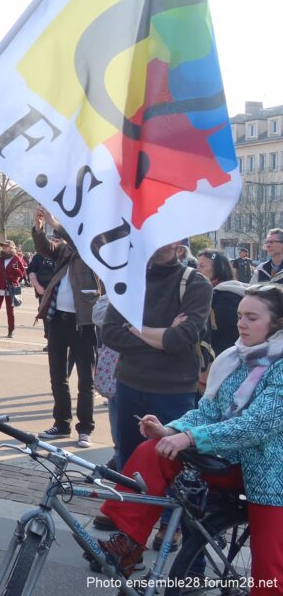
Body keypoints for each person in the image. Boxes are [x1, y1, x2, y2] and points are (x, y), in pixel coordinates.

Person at [95, 285, 283, 594]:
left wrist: (190, 438)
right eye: (239, 316)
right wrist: (170, 431)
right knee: (153, 449)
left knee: (270, 575)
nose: (241, 324)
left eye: (252, 317)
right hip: (228, 460)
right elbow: (207, 411)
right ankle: (127, 544)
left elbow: (255, 426)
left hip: (272, 475)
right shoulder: (235, 358)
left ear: (277, 323)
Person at [101, 239, 212, 470]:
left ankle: (167, 508)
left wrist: (132, 327)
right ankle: (129, 507)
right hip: (128, 385)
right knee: (127, 462)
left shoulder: (195, 282)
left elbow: (180, 340)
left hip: (172, 391)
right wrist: (162, 336)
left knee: (172, 466)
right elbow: (110, 333)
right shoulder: (129, 280)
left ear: (178, 243)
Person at [32, 207, 102, 447]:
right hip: (57, 320)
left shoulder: (95, 248)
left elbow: (82, 244)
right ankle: (61, 423)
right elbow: (44, 249)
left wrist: (55, 223)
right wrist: (40, 228)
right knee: (58, 376)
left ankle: (85, 428)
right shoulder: (64, 250)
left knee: (85, 380)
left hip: (83, 324)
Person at [197, 249, 244, 357]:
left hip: (223, 358)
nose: (196, 270)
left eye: (202, 266)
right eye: (197, 265)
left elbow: (222, 336)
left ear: (218, 269)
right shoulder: (211, 292)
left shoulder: (226, 298)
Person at [0, 239, 27, 338]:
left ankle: (11, 330)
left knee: (10, 310)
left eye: (6, 246)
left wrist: (15, 272)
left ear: (11, 247)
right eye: (3, 246)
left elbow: (22, 273)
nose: (3, 247)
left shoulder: (16, 258)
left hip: (10, 287)